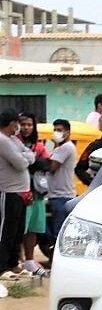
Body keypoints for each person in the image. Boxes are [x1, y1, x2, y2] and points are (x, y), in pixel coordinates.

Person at [0, 110, 35, 276]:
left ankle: (13, 263)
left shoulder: (13, 139)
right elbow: (20, 164)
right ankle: (2, 266)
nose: (19, 127)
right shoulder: (2, 140)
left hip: (22, 192)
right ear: (11, 123)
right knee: (6, 230)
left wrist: (25, 157)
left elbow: (31, 155)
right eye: (17, 123)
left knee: (18, 231)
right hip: (8, 192)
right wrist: (25, 157)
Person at [16, 114, 48, 274]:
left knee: (33, 228)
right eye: (23, 124)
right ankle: (17, 259)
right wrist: (34, 160)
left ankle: (29, 259)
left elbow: (47, 165)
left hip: (36, 193)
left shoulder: (39, 145)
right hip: (19, 192)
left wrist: (32, 160)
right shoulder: (13, 143)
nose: (26, 127)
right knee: (18, 228)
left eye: (29, 124)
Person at [44, 119, 77, 260]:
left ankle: (58, 259)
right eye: (55, 130)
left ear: (67, 132)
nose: (56, 133)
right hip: (55, 195)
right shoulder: (60, 148)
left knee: (57, 233)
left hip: (61, 196)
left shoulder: (66, 147)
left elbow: (52, 167)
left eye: (59, 130)